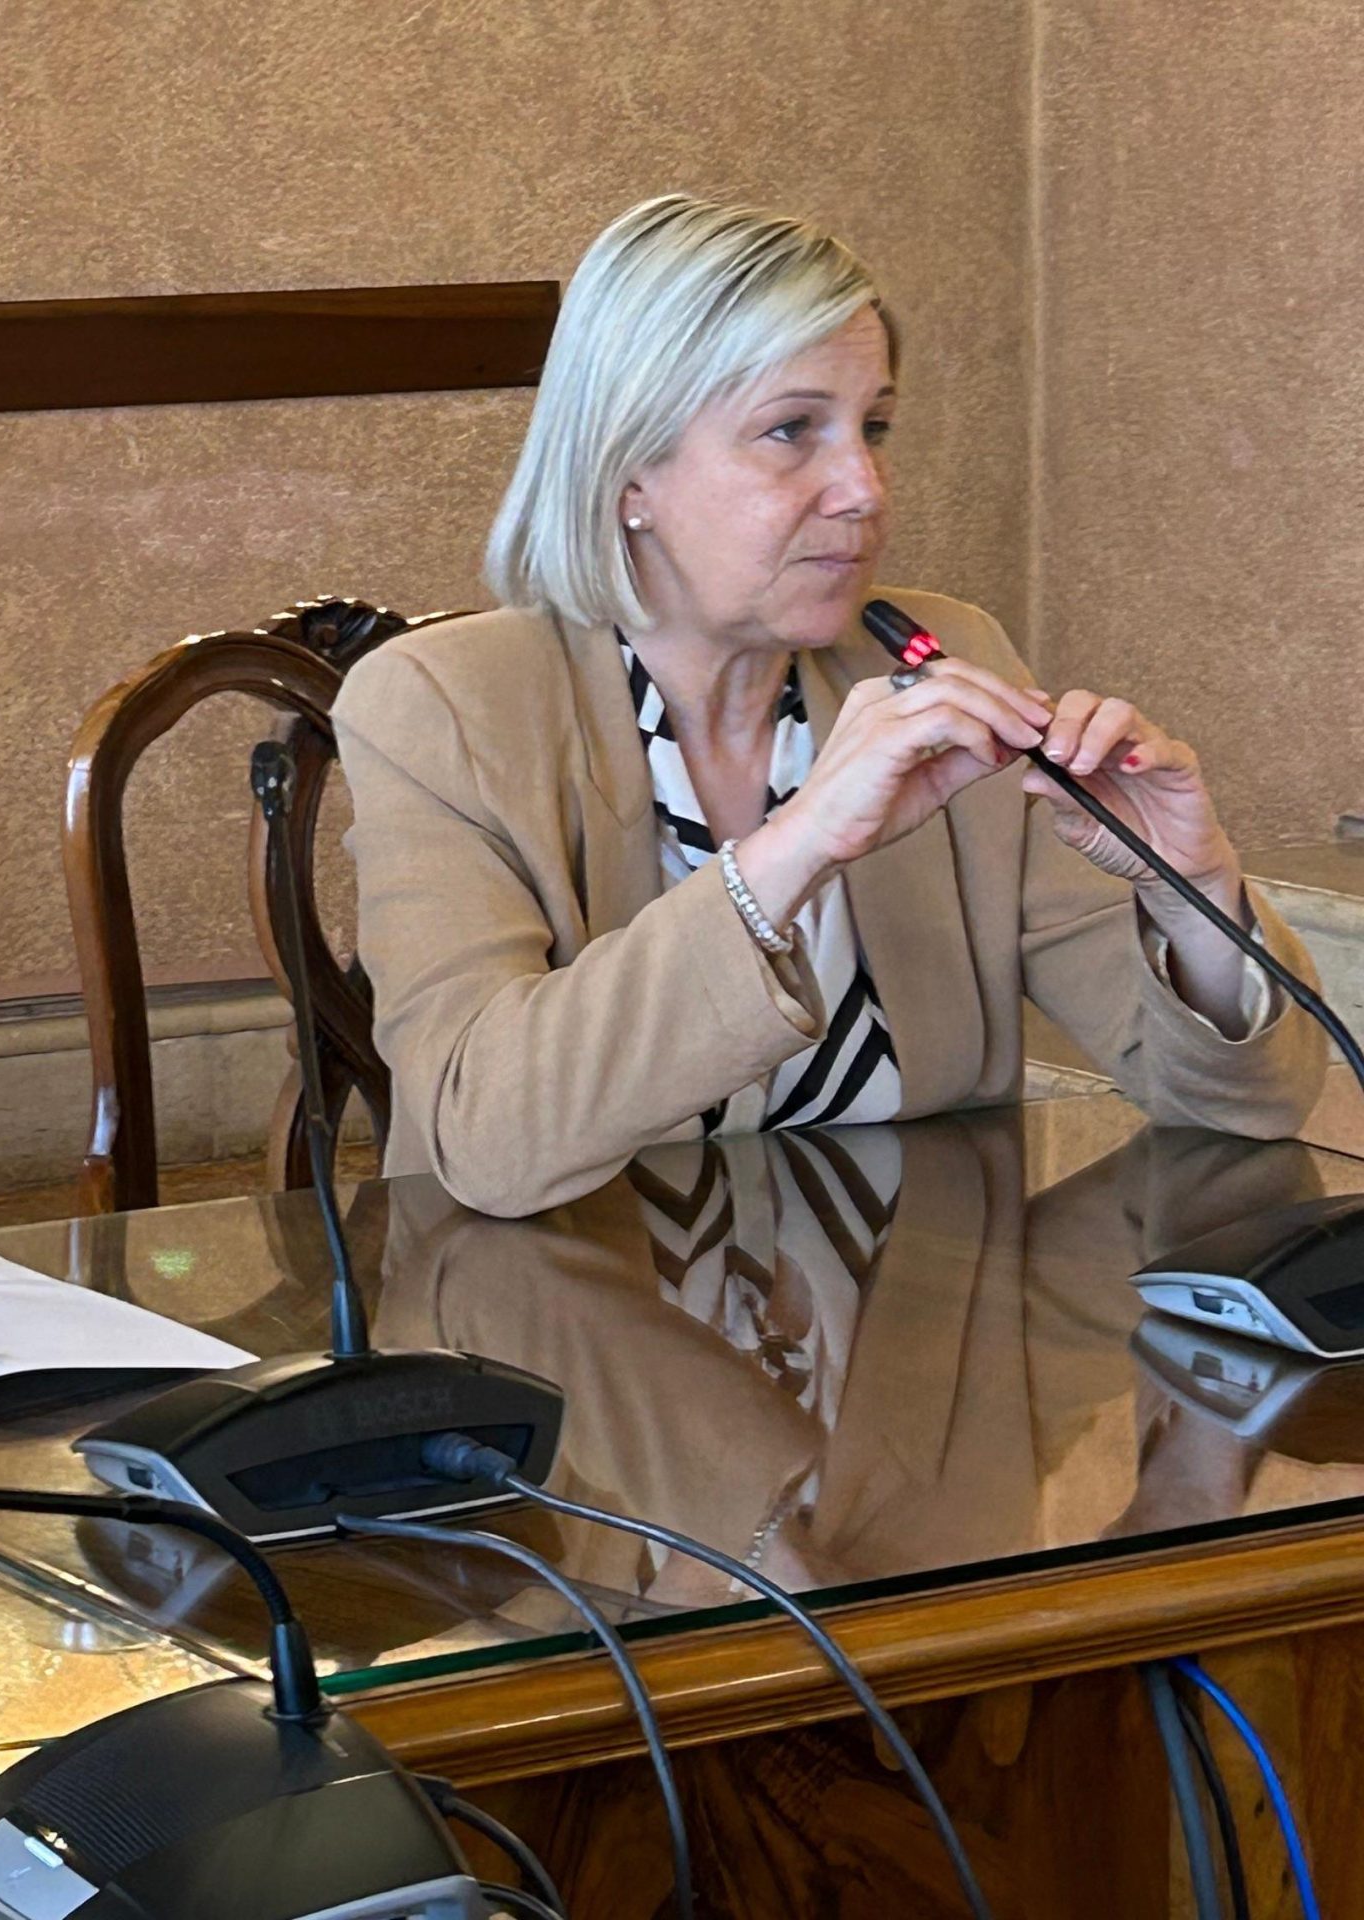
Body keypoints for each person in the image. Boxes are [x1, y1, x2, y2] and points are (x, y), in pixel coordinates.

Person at [333, 193, 1325, 1218]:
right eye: (791, 430)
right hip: (560, 1303)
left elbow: (1238, 1110)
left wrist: (1189, 890)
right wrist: (794, 850)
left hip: (917, 1295)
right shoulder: (443, 705)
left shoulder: (946, 662)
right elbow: (484, 1140)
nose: (864, 488)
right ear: (628, 472)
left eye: (875, 427)